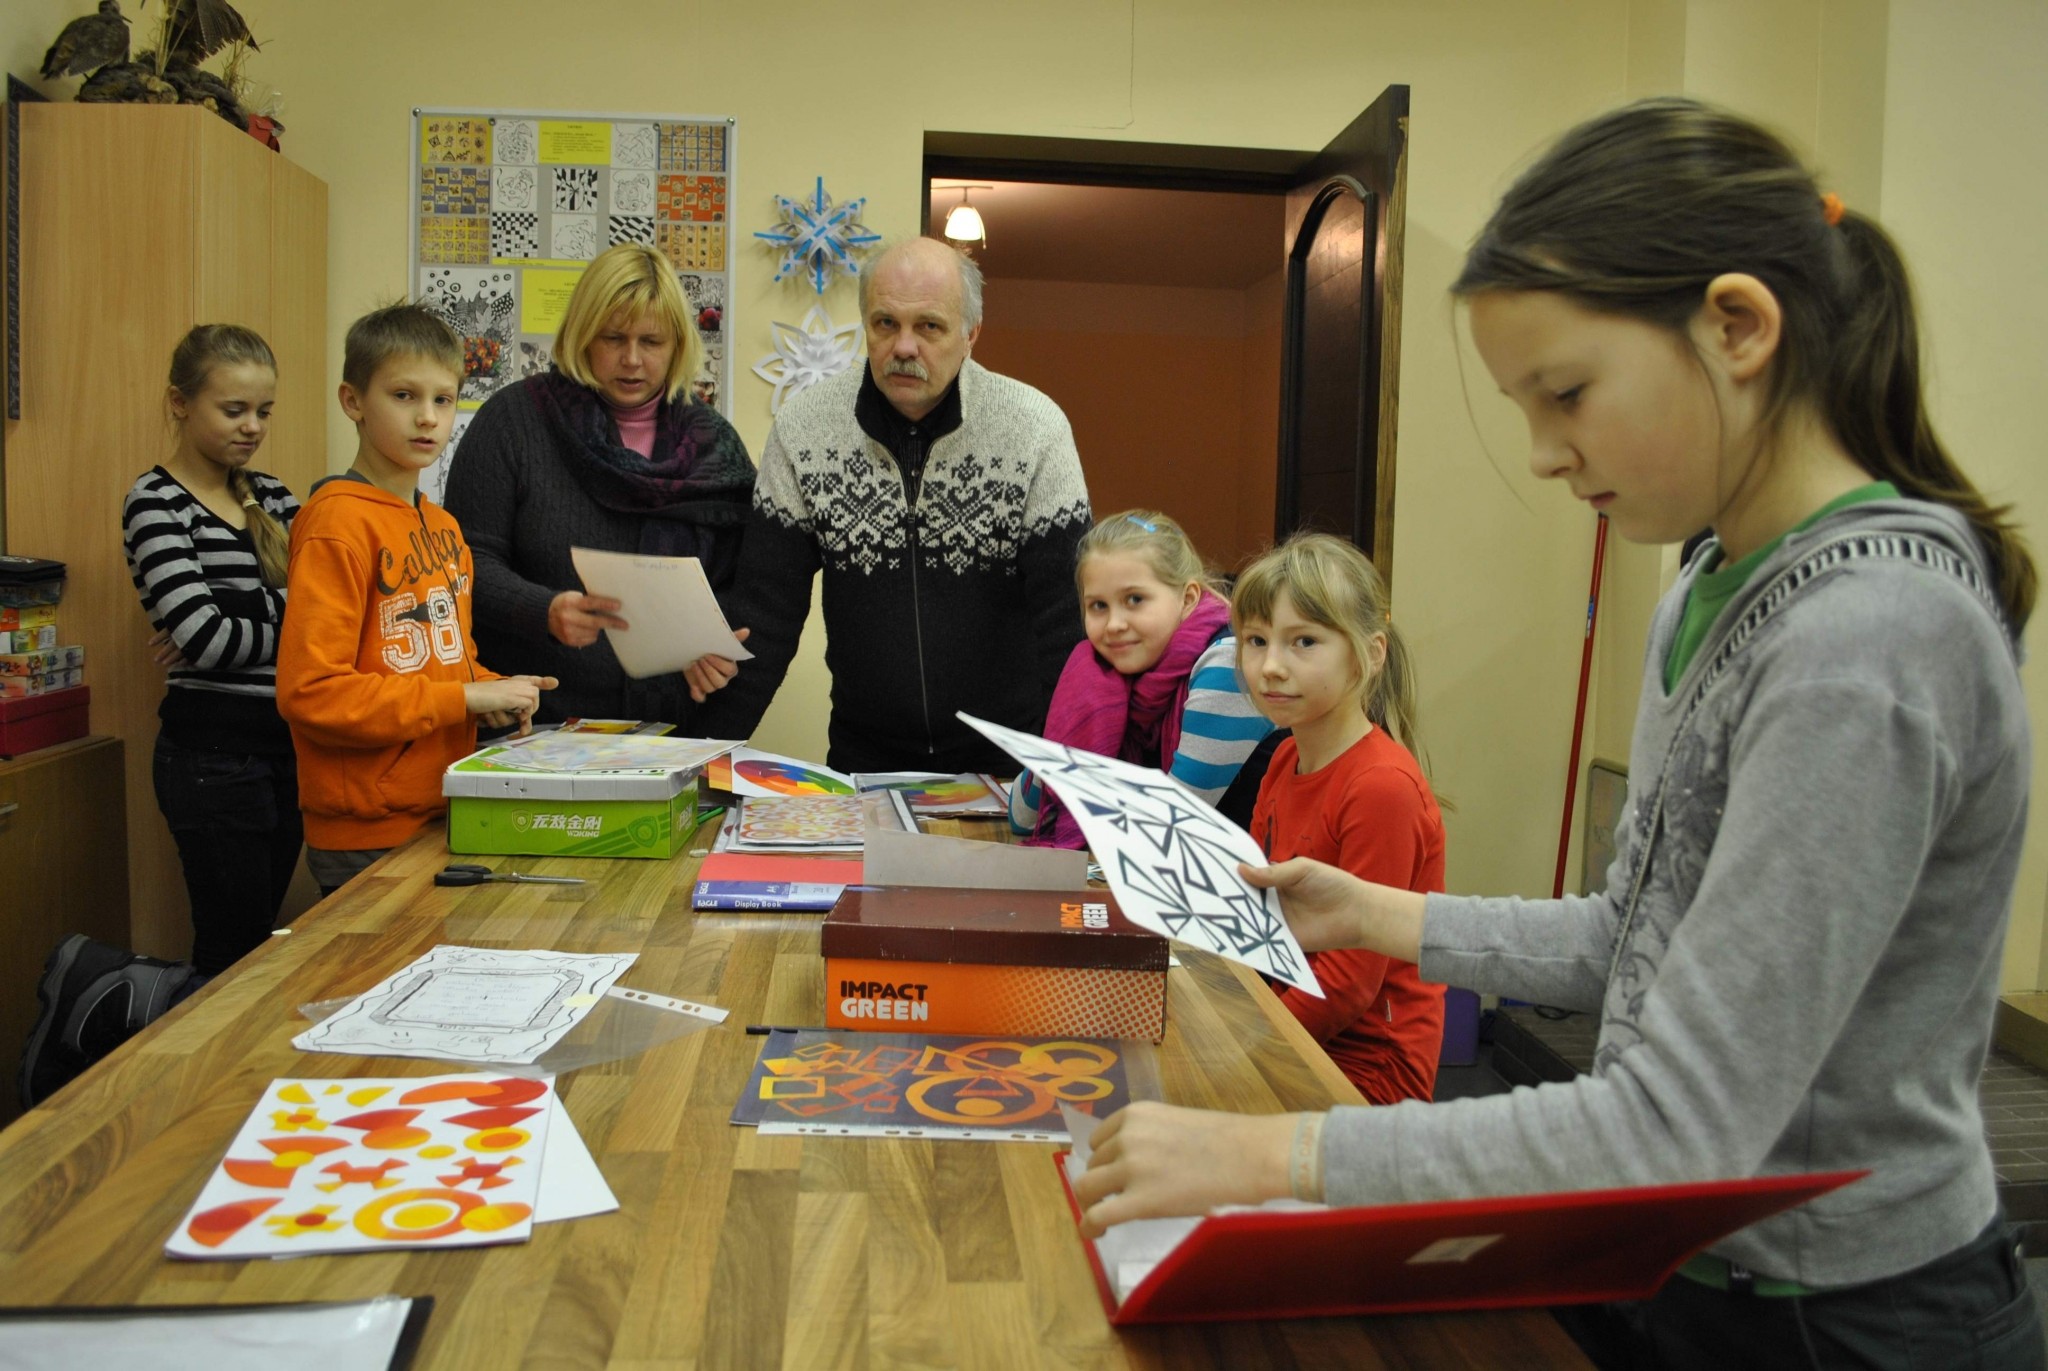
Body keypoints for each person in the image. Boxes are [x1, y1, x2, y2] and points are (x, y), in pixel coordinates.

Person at [1072, 98, 2042, 1369]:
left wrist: (1274, 1151)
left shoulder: (1865, 637)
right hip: (1670, 1265)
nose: (1540, 453)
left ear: (1737, 328)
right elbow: (1639, 936)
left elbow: (1683, 1123)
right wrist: (1376, 915)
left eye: (1565, 393)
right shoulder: (1710, 586)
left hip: (1839, 1313)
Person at [693, 238, 1091, 773]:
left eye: (929, 326)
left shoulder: (1034, 429)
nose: (904, 347)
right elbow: (764, 617)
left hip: (1011, 767)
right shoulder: (805, 428)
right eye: (885, 324)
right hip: (866, 764)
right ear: (865, 324)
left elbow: (1069, 627)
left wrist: (1076, 778)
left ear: (970, 334)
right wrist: (691, 761)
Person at [276, 304, 555, 896]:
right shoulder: (335, 523)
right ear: (353, 401)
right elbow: (311, 693)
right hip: (366, 829)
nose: (427, 418)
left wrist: (492, 693)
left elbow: (439, 662)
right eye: (404, 396)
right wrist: (464, 696)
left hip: (441, 805)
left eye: (444, 399)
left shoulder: (446, 530)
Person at [442, 243, 754, 728]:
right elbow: (461, 563)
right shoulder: (513, 422)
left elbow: (744, 582)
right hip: (534, 727)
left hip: (674, 732)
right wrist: (541, 610)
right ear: (582, 336)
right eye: (613, 338)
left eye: (651, 342)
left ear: (677, 345)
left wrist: (717, 650)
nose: (632, 360)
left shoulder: (715, 445)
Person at [1234, 533, 1446, 1105]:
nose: (1271, 666)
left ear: (1370, 654)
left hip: (1368, 1061)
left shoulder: (1381, 787)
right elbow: (1256, 901)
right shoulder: (1283, 755)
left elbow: (1352, 981)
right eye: (1256, 640)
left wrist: (1250, 1045)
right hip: (1295, 1020)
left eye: (1303, 641)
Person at [120, 324, 302, 977]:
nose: (251, 426)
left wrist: (238, 605)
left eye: (263, 411)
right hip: (213, 759)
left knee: (262, 944)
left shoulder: (276, 498)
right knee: (234, 949)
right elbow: (207, 638)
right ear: (179, 402)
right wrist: (282, 607)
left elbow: (336, 613)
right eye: (234, 410)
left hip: (288, 751)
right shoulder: (157, 501)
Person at [1008, 509, 1272, 844]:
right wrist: (1073, 713)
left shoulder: (1228, 663)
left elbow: (1166, 826)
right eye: (1098, 606)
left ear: (1187, 598)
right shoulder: (1096, 675)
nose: (1115, 624)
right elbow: (1022, 814)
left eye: (1135, 600)